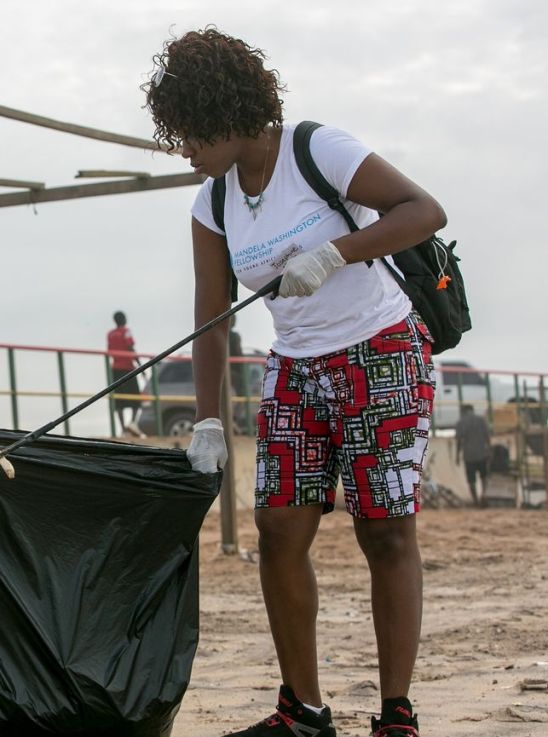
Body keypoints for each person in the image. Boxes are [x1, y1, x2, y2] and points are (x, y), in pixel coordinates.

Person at [146, 28, 445, 737]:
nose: (184, 150)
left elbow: (422, 211)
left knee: (385, 531)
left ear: (222, 111)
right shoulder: (211, 204)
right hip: (296, 366)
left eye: (188, 132)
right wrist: (208, 420)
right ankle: (303, 711)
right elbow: (212, 318)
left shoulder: (317, 150)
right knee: (278, 527)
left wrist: (337, 251)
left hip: (380, 350)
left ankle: (396, 714)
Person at [107, 311, 144, 436]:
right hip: (128, 369)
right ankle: (132, 423)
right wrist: (140, 366)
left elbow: (109, 350)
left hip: (115, 369)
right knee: (136, 399)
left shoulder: (110, 334)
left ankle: (123, 429)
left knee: (119, 401)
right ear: (124, 319)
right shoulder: (126, 331)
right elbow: (131, 348)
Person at [454, 404, 490, 506]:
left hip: (469, 455)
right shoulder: (481, 420)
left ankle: (476, 501)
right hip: (482, 453)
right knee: (484, 476)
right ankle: (484, 494)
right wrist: (489, 450)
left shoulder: (460, 422)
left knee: (471, 480)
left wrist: (457, 455)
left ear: (463, 411)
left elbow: (459, 441)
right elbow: (487, 436)